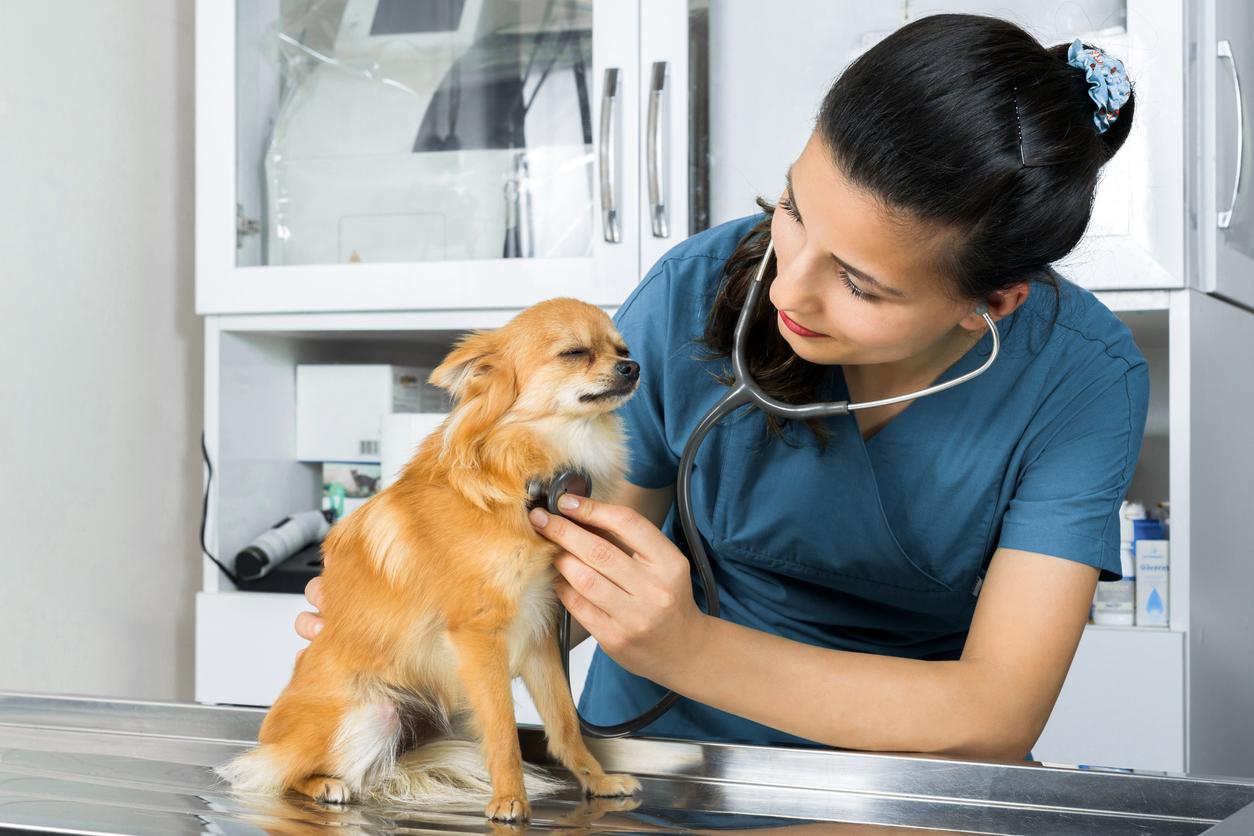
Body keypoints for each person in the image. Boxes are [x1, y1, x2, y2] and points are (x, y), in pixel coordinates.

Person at [296, 13, 1148, 760]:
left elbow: (993, 715)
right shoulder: (691, 290)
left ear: (990, 305)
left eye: (858, 283)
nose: (785, 290)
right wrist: (417, 630)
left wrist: (690, 650)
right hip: (654, 761)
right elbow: (571, 576)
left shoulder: (1083, 380)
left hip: (895, 782)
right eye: (794, 209)